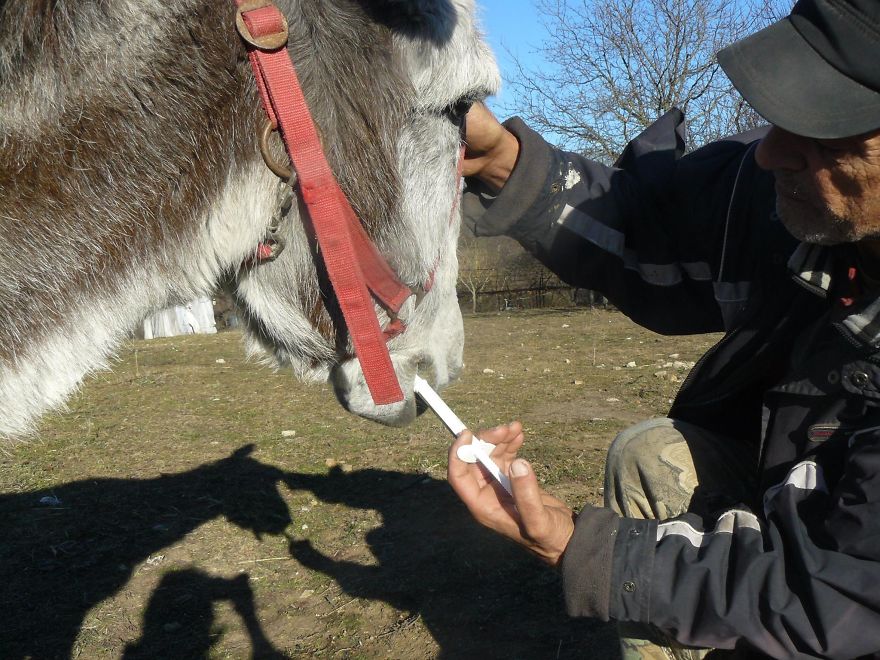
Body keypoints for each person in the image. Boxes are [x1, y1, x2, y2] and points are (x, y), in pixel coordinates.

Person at [448, 0, 880, 658]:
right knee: (652, 455)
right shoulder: (787, 196)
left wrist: (574, 546)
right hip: (799, 498)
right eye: (780, 113)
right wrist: (505, 160)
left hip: (845, 589)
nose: (770, 152)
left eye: (824, 125)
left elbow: (834, 597)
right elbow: (652, 224)